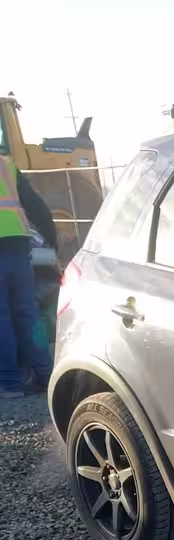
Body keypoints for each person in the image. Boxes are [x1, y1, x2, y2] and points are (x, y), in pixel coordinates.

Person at [0, 152, 57, 398]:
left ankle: (10, 383)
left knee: (1, 317)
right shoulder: (5, 164)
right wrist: (51, 240)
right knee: (27, 310)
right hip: (18, 242)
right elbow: (35, 204)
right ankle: (45, 374)